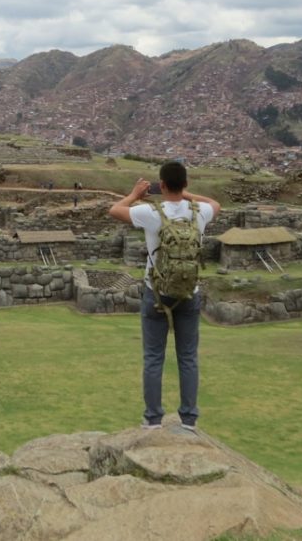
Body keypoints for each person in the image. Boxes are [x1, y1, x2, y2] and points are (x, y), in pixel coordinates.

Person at [108, 160, 220, 431]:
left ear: (162, 185)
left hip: (156, 293)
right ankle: (189, 419)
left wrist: (135, 195)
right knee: (188, 357)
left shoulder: (150, 212)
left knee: (154, 357)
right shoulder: (200, 212)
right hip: (189, 293)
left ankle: (153, 418)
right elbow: (216, 204)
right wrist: (186, 195)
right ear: (185, 184)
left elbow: (114, 210)